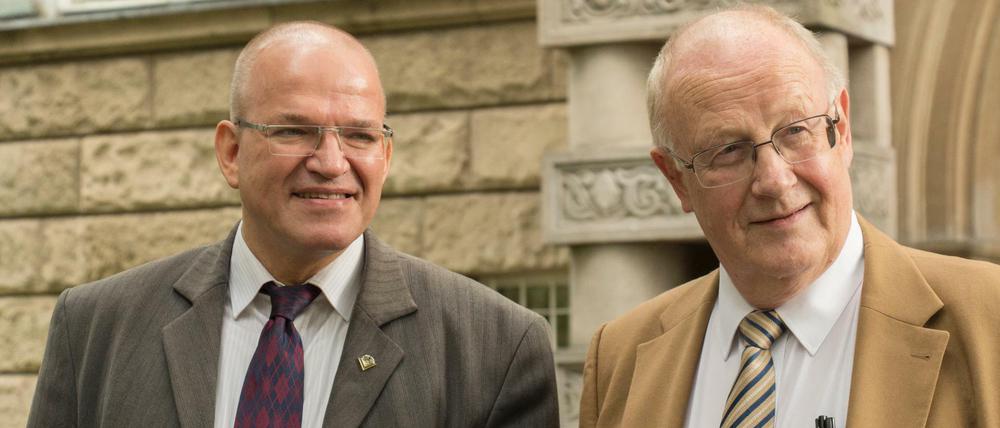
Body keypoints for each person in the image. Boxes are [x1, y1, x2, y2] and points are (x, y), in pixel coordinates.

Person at [29, 21, 558, 428]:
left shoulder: (495, 346)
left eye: (360, 136)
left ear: (386, 155)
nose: (331, 161)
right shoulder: (96, 327)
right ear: (231, 152)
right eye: (294, 131)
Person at [579, 5, 1000, 428]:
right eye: (727, 150)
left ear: (844, 129)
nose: (775, 180)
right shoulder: (621, 358)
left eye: (796, 130)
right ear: (676, 179)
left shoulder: (987, 320)